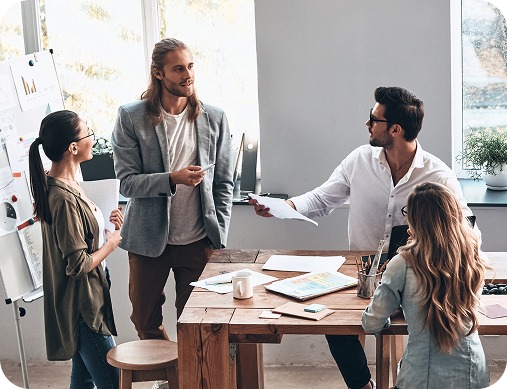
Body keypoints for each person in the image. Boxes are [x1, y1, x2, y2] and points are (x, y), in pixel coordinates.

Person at [250, 87, 477, 389]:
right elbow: (322, 198)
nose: (367, 124)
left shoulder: (438, 175)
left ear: (395, 129)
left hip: (415, 273)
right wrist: (285, 206)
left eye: (373, 118)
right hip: (362, 270)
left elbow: (467, 228)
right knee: (330, 319)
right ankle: (362, 386)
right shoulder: (360, 160)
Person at [111, 38, 234, 343]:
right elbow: (127, 183)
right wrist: (172, 179)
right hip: (148, 241)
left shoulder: (215, 118)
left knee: (197, 322)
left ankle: (188, 380)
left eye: (190, 66)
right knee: (144, 320)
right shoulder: (131, 117)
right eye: (178, 68)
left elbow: (224, 183)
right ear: (159, 74)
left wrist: (219, 233)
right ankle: (169, 375)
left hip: (198, 240)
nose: (187, 74)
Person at [28, 110, 124, 389]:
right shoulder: (62, 197)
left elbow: (81, 235)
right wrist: (112, 244)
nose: (93, 139)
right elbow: (78, 264)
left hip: (88, 300)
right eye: (88, 133)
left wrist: (110, 224)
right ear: (73, 147)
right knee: (113, 382)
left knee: (82, 381)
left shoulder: (69, 185)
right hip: (84, 307)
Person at [362, 182, 489, 388]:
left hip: (421, 378)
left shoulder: (402, 263)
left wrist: (397, 311)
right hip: (474, 375)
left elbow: (371, 323)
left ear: (416, 221)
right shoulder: (473, 258)